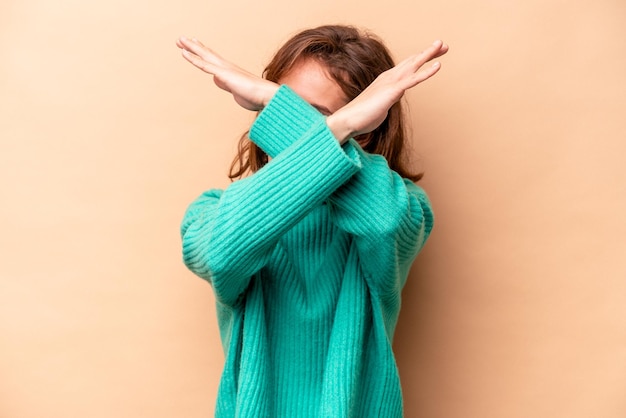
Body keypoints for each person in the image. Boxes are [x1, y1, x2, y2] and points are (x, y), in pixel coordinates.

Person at [177, 25, 447, 417]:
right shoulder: (212, 212)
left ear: (367, 132)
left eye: (317, 116)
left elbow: (384, 223)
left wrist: (278, 104)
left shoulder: (403, 206)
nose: (280, 118)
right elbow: (222, 254)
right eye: (277, 106)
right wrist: (337, 125)